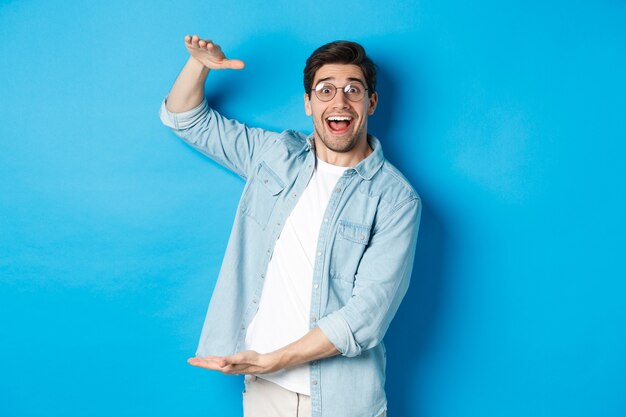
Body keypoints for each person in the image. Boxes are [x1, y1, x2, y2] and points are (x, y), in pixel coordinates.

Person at [159, 35, 421, 417]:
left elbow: (365, 318)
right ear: (308, 103)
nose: (339, 101)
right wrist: (199, 65)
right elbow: (185, 119)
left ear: (371, 102)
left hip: (343, 401)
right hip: (266, 392)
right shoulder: (275, 155)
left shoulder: (396, 199)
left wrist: (273, 360)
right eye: (325, 89)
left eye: (353, 90)